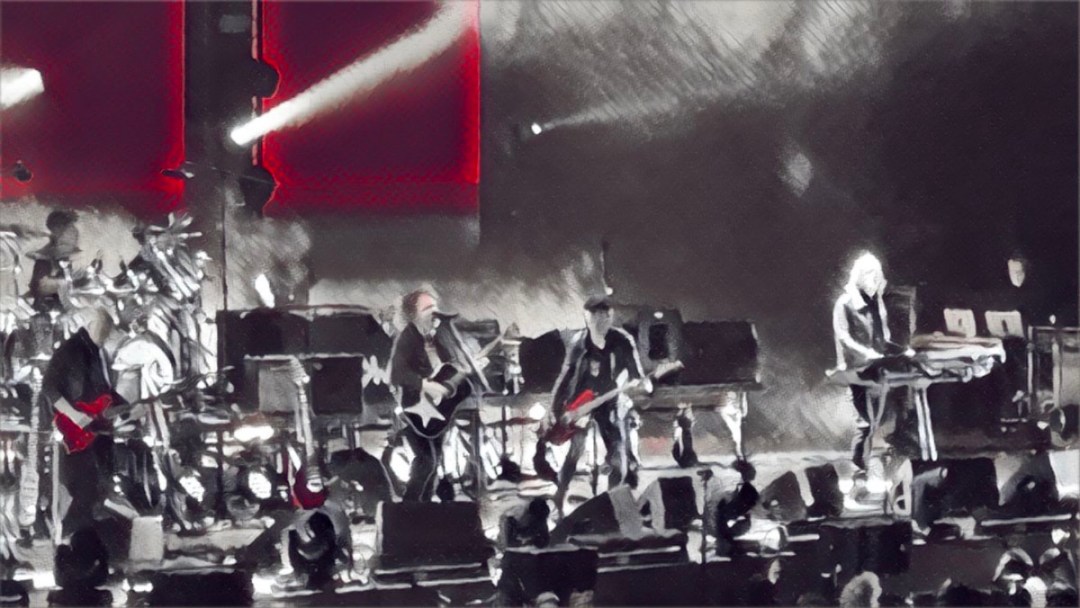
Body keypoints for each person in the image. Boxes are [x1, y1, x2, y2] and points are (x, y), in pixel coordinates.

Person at [536, 295, 651, 515]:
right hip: (581, 402)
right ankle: (560, 495)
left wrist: (639, 386)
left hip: (611, 401)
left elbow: (636, 374)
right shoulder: (578, 342)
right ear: (587, 318)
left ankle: (611, 505)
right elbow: (565, 376)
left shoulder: (622, 341)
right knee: (575, 450)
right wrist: (553, 408)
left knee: (618, 453)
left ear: (610, 317)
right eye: (594, 317)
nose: (599, 322)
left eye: (604, 317)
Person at [40, 307, 129, 543]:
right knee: (83, 487)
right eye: (103, 331)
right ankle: (66, 536)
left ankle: (83, 538)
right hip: (73, 430)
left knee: (99, 488)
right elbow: (49, 387)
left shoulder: (96, 352)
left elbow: (103, 391)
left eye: (108, 333)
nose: (105, 337)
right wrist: (73, 414)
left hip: (95, 429)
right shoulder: (69, 350)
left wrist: (128, 408)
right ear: (91, 326)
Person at [389, 290, 473, 502]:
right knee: (426, 460)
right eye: (427, 308)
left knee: (433, 463)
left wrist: (459, 373)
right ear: (414, 314)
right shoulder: (408, 338)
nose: (434, 313)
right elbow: (398, 373)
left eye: (435, 307)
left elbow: (447, 370)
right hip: (415, 407)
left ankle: (423, 505)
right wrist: (427, 386)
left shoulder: (438, 338)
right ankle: (410, 506)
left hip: (437, 410)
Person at [833, 252, 896, 472]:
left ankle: (864, 466)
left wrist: (896, 349)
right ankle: (859, 466)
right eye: (870, 274)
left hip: (876, 369)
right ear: (859, 276)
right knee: (865, 422)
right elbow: (844, 337)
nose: (875, 279)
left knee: (874, 421)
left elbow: (884, 335)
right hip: (856, 371)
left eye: (877, 274)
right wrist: (866, 353)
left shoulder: (876, 302)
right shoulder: (844, 303)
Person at [28, 210, 79, 314]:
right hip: (47, 299)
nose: (74, 236)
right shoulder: (45, 259)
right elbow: (39, 286)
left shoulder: (61, 254)